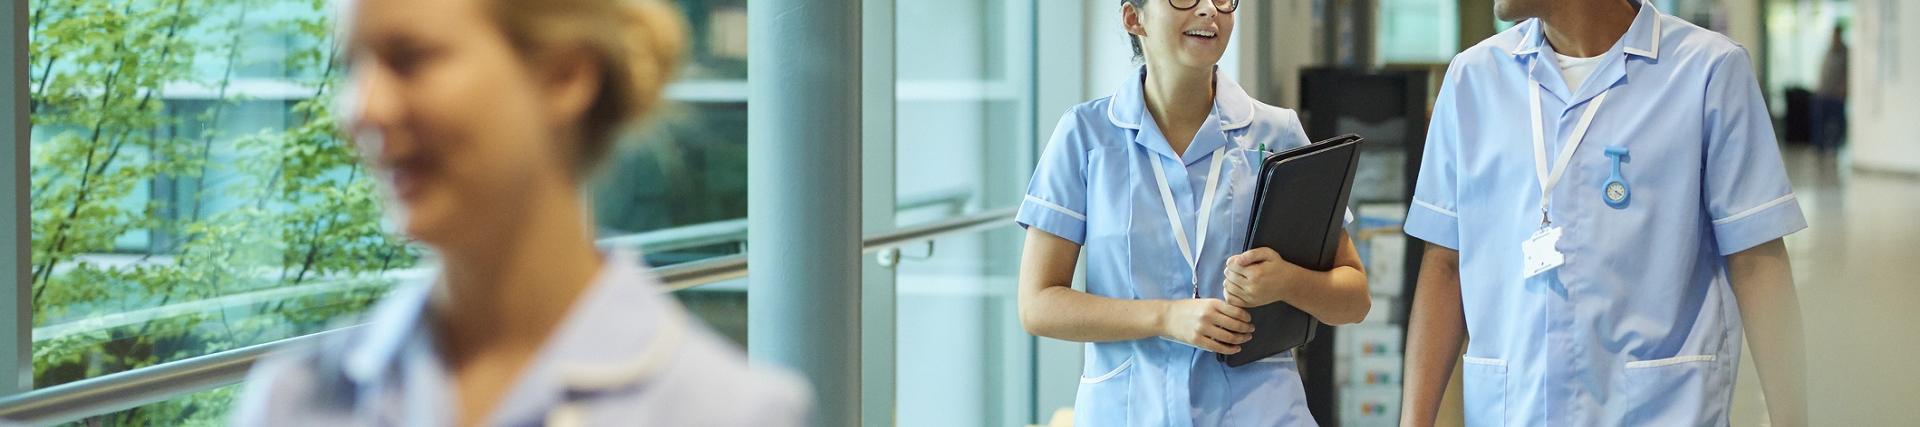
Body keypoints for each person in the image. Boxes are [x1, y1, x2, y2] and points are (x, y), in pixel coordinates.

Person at [230, 0, 810, 425]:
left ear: (564, 76)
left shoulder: (731, 413)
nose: (361, 109)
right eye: (353, 66)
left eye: (411, 59)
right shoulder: (294, 400)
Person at [1398, 0, 1808, 425]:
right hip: (1514, 411)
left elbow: (1758, 265)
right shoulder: (1473, 80)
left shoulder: (1708, 71)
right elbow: (1446, 263)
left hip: (1662, 411)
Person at [1014, 0, 1371, 425]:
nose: (1209, 10)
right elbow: (1038, 305)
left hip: (1261, 411)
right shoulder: (1085, 135)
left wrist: (1287, 281)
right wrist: (1166, 317)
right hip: (1130, 411)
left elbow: (1354, 300)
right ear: (1134, 18)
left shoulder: (1278, 133)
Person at [1813, 24, 1849, 152]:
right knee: (1819, 121)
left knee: (1837, 123)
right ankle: (1819, 147)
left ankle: (1835, 146)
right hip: (1823, 92)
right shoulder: (1829, 50)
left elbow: (1848, 73)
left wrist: (1843, 89)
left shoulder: (1845, 53)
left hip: (1836, 95)